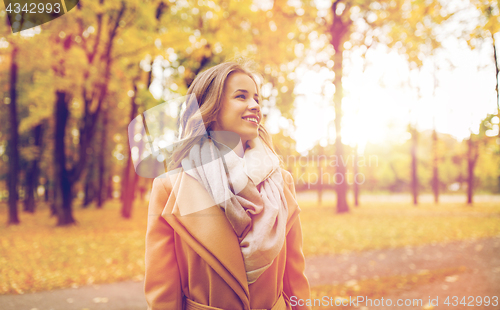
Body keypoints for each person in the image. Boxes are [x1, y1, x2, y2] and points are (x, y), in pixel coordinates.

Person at [144, 60, 311, 310]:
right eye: (241, 97)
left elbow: (295, 282)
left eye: (257, 98)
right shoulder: (170, 188)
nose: (254, 105)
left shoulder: (281, 182)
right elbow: (163, 295)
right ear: (210, 108)